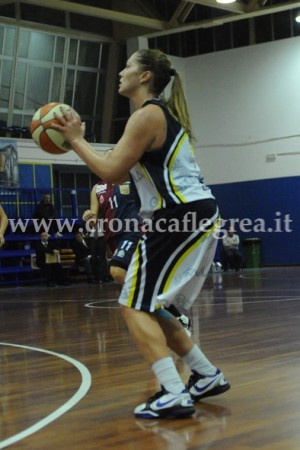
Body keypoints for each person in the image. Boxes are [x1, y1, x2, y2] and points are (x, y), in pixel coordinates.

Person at [53, 48, 230, 419]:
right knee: (150, 304)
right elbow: (114, 166)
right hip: (190, 214)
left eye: (128, 66)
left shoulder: (148, 115)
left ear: (145, 76)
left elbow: (111, 173)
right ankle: (205, 374)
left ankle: (172, 391)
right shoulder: (150, 116)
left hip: (178, 216)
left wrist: (75, 139)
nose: (121, 71)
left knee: (132, 304)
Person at [83, 179, 192, 333]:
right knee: (147, 285)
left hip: (134, 231)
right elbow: (94, 220)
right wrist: (89, 216)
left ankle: (146, 306)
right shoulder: (97, 188)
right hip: (114, 238)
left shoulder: (131, 180)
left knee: (117, 271)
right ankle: (179, 319)